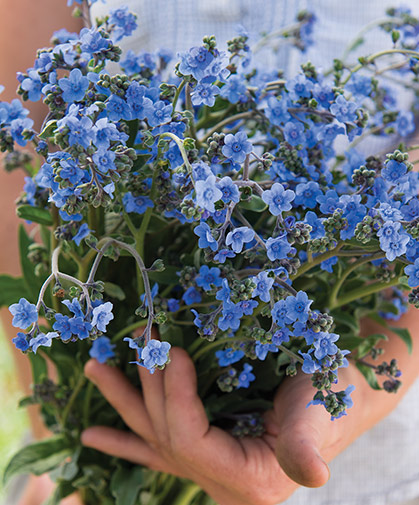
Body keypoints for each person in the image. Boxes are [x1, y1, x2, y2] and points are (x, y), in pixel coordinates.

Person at [1, 1, 419, 504]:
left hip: (371, 456)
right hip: (112, 379)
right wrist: (60, 438)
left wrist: (348, 392)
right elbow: (14, 176)